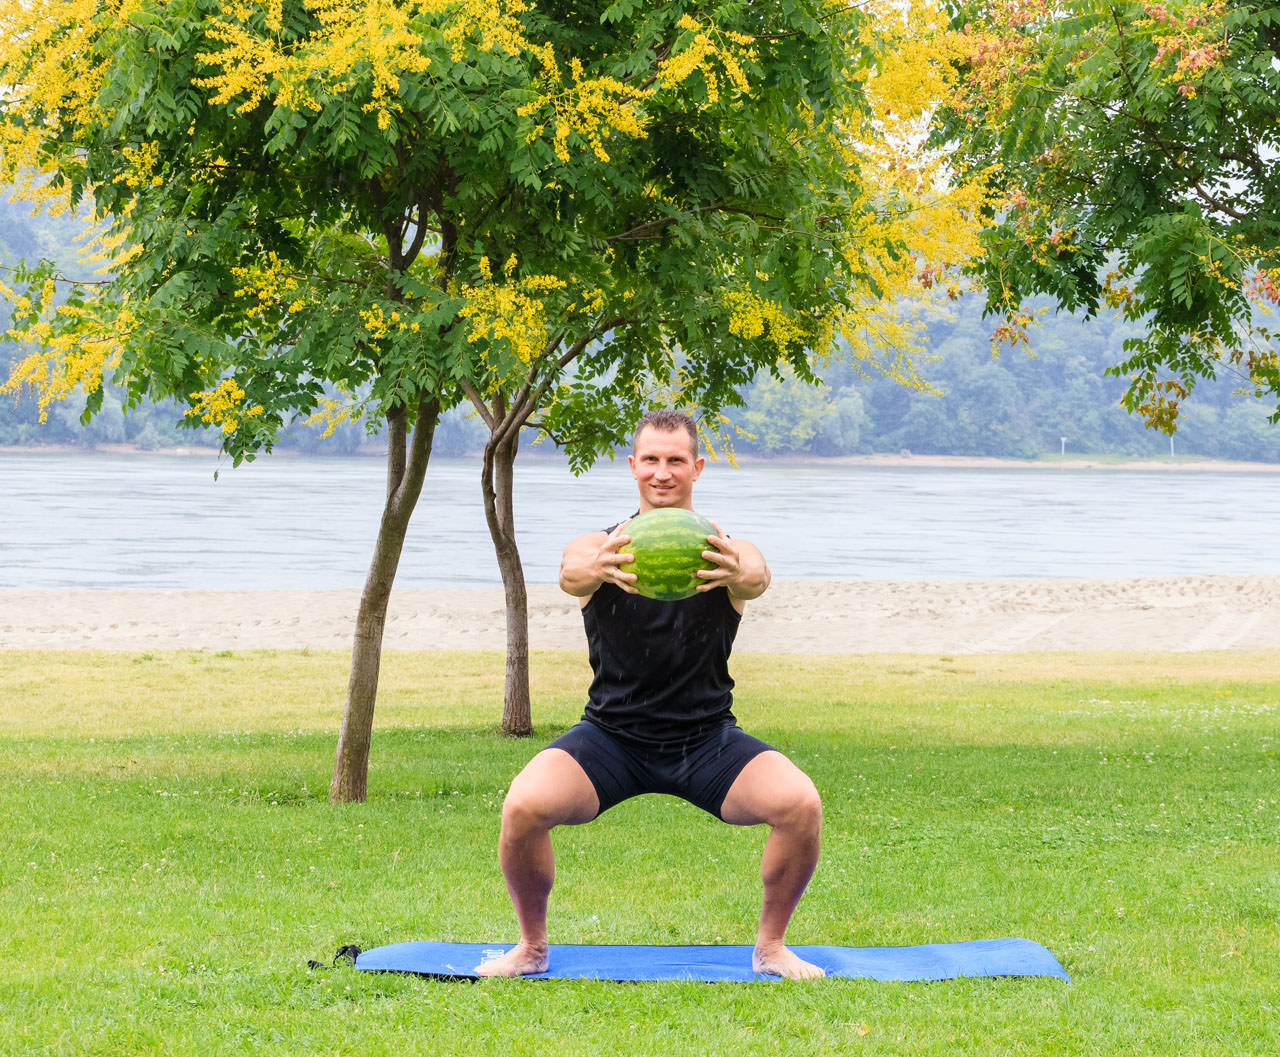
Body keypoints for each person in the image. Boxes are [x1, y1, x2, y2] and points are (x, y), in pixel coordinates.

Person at [477, 408, 823, 980]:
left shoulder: (726, 551)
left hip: (707, 739)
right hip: (612, 737)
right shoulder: (602, 546)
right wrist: (596, 567)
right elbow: (572, 571)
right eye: (652, 460)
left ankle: (771, 948)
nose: (663, 473)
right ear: (633, 465)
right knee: (523, 807)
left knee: (800, 805)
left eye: (676, 461)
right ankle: (531, 948)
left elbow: (757, 576)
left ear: (697, 467)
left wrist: (737, 571)